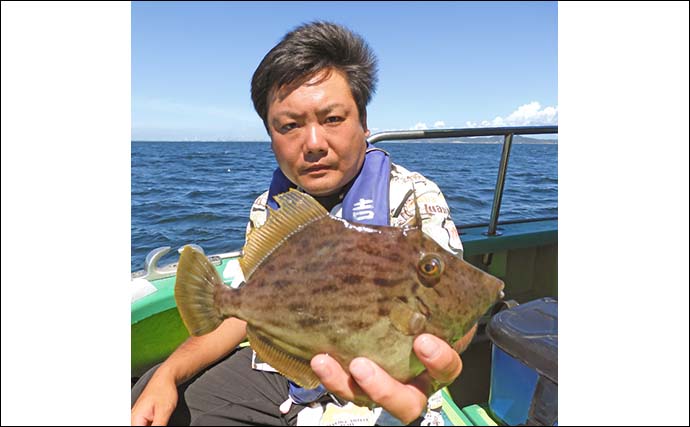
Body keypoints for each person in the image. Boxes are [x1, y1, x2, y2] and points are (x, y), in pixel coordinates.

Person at [131, 21, 476, 426]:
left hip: (386, 381)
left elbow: (457, 310)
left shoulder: (414, 196)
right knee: (149, 396)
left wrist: (435, 358)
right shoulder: (269, 208)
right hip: (282, 373)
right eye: (290, 126)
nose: (313, 143)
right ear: (270, 135)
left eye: (332, 118)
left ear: (363, 123)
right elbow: (250, 308)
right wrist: (167, 374)